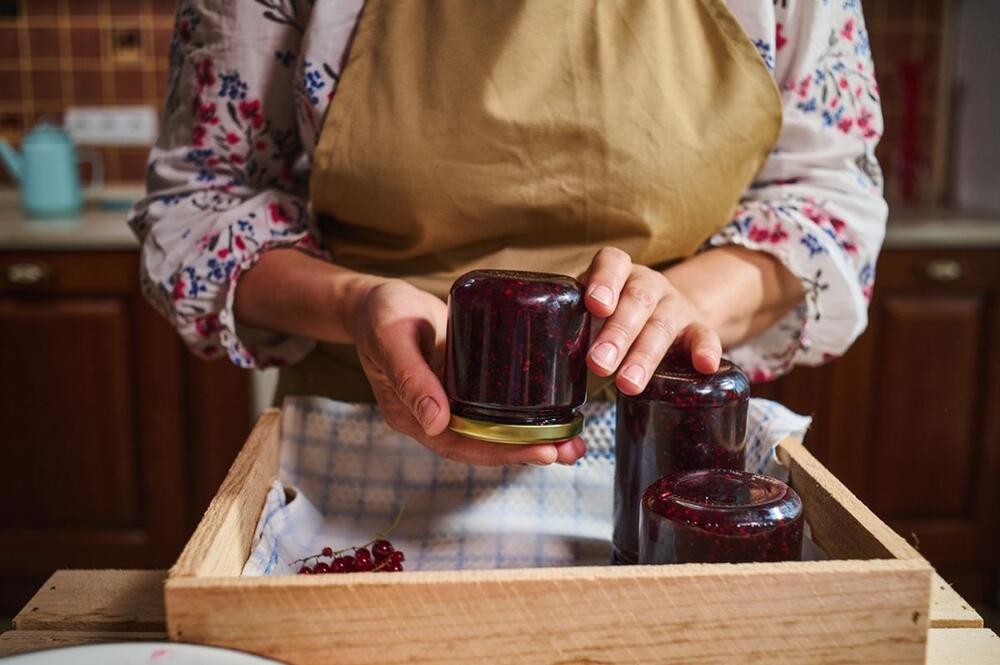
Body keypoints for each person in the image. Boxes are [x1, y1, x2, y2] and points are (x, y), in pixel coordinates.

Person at [129, 0, 886, 468]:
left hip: (663, 446)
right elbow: (201, 205)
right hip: (365, 435)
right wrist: (359, 306)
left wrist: (681, 301)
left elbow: (829, 200)